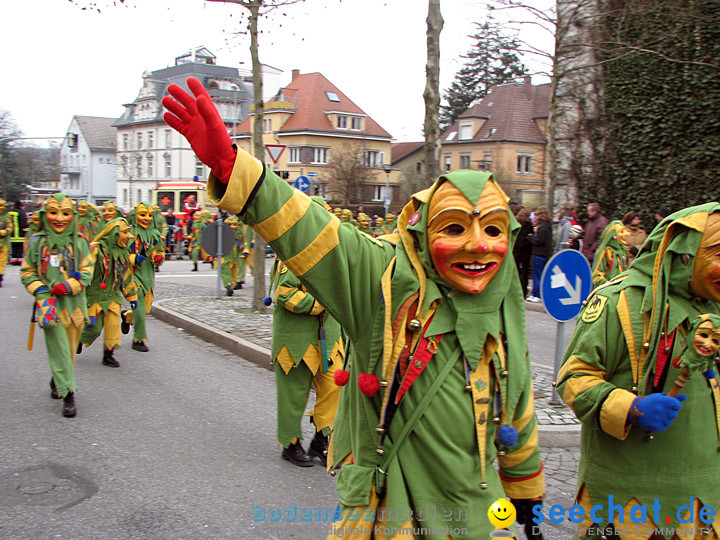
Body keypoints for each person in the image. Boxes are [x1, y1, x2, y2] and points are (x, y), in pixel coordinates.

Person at [163, 77, 545, 538]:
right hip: (392, 508)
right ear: (425, 234)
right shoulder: (385, 278)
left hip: (478, 514)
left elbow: (517, 398)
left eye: (493, 231)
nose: (477, 246)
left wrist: (526, 489)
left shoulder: (504, 304)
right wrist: (233, 168)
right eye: (455, 228)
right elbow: (317, 233)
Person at [556, 203, 720, 539]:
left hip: (706, 496)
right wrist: (629, 408)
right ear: (685, 253)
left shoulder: (713, 305)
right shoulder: (620, 301)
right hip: (632, 501)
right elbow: (573, 379)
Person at [269, 201, 344, 467]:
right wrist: (318, 303)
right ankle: (290, 444)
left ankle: (321, 440)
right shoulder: (291, 251)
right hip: (296, 340)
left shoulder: (334, 251)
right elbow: (284, 293)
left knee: (335, 387)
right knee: (294, 395)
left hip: (330, 339)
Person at [20, 195, 94, 417]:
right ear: (45, 215)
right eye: (53, 212)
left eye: (65, 213)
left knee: (69, 349)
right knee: (59, 347)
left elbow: (88, 271)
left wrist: (70, 285)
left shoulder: (80, 242)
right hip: (49, 304)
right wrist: (42, 291)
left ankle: (58, 377)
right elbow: (27, 272)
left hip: (75, 306)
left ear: (72, 216)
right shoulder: (37, 242)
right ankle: (68, 393)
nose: (59, 218)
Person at [79, 217, 138, 368]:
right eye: (124, 233)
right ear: (114, 233)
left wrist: (132, 297)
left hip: (113, 297)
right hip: (95, 296)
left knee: (113, 327)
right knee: (94, 328)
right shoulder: (97, 249)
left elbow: (126, 276)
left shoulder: (122, 252)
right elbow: (85, 270)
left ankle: (108, 355)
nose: (128, 236)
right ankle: (79, 339)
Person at [123, 202, 165, 352]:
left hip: (148, 275)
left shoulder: (154, 235)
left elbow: (159, 251)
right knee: (140, 307)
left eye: (149, 215)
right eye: (143, 215)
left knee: (145, 309)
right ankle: (138, 339)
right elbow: (121, 255)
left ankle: (127, 316)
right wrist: (133, 257)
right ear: (136, 216)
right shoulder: (129, 234)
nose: (146, 218)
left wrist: (158, 257)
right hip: (133, 275)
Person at [590, 220, 629, 288]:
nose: (626, 234)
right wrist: (607, 284)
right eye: (621, 232)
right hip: (607, 291)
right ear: (614, 235)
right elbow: (596, 274)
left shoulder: (623, 251)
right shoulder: (605, 251)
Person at [526, 206, 552, 303]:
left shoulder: (542, 227)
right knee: (539, 274)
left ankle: (537, 294)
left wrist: (531, 238)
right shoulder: (548, 225)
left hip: (539, 253)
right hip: (544, 253)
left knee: (537, 274)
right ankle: (536, 293)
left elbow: (539, 241)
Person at [513, 207, 533, 299]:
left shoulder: (529, 225)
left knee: (524, 271)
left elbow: (531, 236)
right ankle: (514, 291)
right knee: (515, 271)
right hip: (516, 249)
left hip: (525, 250)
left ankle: (524, 291)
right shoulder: (515, 223)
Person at [0, 199, 10, 287]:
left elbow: (10, 228)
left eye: (1, 206)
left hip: (4, 243)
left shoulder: (7, 217)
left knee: (2, 261)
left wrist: (4, 232)